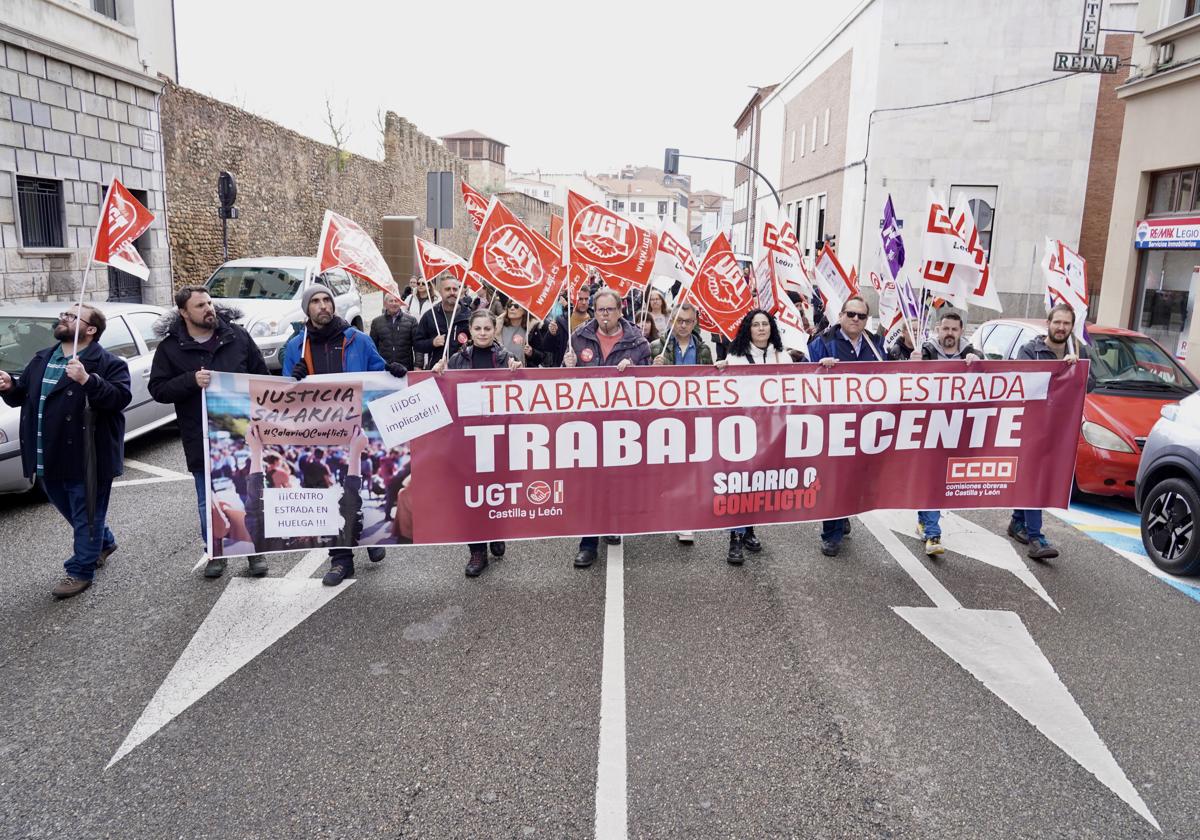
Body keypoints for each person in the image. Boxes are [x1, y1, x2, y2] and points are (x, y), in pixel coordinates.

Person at [0, 305, 131, 598]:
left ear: (90, 329)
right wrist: (9, 385)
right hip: (47, 453)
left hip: (88, 456)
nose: (63, 318)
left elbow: (119, 398)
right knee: (72, 509)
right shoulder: (43, 358)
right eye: (64, 314)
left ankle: (80, 570)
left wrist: (88, 380)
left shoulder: (107, 363)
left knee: (85, 514)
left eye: (72, 317)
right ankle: (104, 541)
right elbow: (23, 396)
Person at [282, 282, 407, 586]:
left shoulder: (358, 340)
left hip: (357, 431)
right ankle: (340, 560)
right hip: (320, 435)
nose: (323, 306)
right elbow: (285, 393)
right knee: (330, 496)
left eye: (327, 300)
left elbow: (378, 374)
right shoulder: (296, 346)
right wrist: (293, 379)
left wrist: (393, 371)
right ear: (307, 309)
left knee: (361, 490)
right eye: (316, 302)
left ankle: (369, 538)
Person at [149, 285, 271, 578]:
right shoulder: (170, 348)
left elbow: (263, 378)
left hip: (240, 431)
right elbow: (158, 389)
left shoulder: (237, 337)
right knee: (208, 499)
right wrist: (190, 380)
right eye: (200, 306)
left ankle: (255, 552)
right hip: (200, 435)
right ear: (183, 312)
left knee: (247, 491)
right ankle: (215, 552)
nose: (208, 310)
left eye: (209, 303)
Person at [563, 287, 652, 568]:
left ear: (620, 310)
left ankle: (613, 522)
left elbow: (652, 384)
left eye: (610, 309)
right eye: (600, 309)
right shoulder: (578, 338)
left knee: (616, 479)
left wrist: (636, 370)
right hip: (588, 422)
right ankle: (588, 543)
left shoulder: (638, 344)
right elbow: (564, 385)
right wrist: (567, 367)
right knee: (590, 482)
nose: (604, 314)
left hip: (622, 423)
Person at [433, 309, 523, 576]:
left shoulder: (507, 358)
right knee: (472, 496)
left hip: (499, 438)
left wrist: (518, 372)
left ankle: (495, 531)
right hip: (468, 440)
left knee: (496, 492)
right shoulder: (457, 361)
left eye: (487, 328)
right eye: (478, 329)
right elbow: (446, 396)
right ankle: (477, 551)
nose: (483, 333)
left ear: (494, 330)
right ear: (469, 332)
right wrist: (439, 372)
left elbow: (522, 394)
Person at [808, 295, 886, 557]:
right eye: (850, 314)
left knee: (855, 477)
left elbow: (889, 375)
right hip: (834, 424)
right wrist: (821, 368)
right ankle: (831, 534)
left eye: (861, 316)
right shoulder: (824, 342)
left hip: (866, 424)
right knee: (834, 478)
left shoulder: (875, 344)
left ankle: (842, 515)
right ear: (840, 315)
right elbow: (806, 378)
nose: (855, 319)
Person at [899, 310, 982, 556]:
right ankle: (933, 534)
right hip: (927, 426)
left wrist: (978, 362)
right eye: (945, 329)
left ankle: (925, 521)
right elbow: (904, 379)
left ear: (961, 332)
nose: (949, 333)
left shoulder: (972, 354)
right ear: (938, 330)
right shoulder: (925, 351)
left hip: (956, 427)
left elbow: (988, 374)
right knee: (932, 477)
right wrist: (912, 364)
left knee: (934, 479)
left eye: (954, 329)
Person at [713, 309, 793, 563]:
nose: (761, 328)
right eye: (756, 324)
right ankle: (735, 538)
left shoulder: (782, 356)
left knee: (758, 483)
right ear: (748, 329)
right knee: (739, 482)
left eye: (765, 324)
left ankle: (749, 530)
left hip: (772, 431)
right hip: (743, 430)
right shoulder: (735, 356)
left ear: (772, 328)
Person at [1007, 303, 1080, 560]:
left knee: (1034, 475)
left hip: (1059, 428)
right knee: (1035, 477)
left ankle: (1017, 520)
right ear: (1048, 323)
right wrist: (1061, 371)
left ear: (1072, 327)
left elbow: (1090, 384)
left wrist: (1076, 367)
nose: (1061, 328)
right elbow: (1021, 380)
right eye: (1057, 322)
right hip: (1031, 425)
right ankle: (1036, 538)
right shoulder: (1030, 350)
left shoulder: (1078, 352)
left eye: (1066, 324)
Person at [652, 301, 714, 545]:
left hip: (691, 417)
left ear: (695, 322)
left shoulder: (704, 349)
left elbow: (709, 381)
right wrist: (652, 367)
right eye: (679, 320)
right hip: (664, 417)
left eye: (688, 321)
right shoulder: (657, 347)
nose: (684, 325)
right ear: (672, 320)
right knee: (665, 469)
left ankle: (684, 520)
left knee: (689, 470)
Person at [414, 274, 472, 369]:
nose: (452, 292)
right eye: (447, 289)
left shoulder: (469, 316)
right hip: (436, 371)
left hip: (462, 371)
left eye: (455, 289)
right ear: (440, 292)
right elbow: (417, 344)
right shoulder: (430, 315)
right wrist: (432, 343)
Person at [369, 292, 418, 372]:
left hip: (405, 368)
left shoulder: (411, 321)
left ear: (400, 303)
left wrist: (418, 365)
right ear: (385, 304)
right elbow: (372, 348)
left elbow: (417, 346)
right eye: (391, 301)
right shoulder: (376, 322)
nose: (394, 303)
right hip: (384, 368)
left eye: (396, 301)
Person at [497, 300, 545, 367]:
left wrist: (532, 353)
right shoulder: (498, 327)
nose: (512, 308)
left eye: (516, 306)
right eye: (509, 306)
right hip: (501, 372)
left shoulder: (532, 329)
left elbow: (542, 356)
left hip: (523, 374)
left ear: (524, 310)